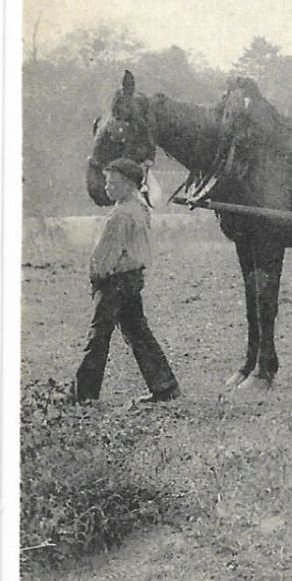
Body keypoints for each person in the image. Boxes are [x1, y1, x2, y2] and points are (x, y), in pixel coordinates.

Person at [72, 158, 181, 404]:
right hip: (132, 279)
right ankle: (165, 386)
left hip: (115, 282)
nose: (107, 187)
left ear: (128, 184)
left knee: (99, 336)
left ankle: (84, 396)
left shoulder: (120, 216)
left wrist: (97, 277)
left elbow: (105, 257)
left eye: (112, 182)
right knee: (138, 332)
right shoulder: (140, 208)